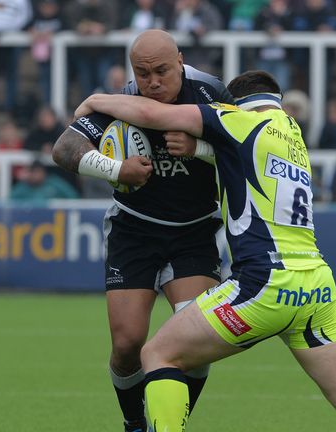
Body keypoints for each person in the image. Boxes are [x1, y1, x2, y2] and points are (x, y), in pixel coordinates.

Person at [74, 70, 336, 432]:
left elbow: (153, 115)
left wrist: (98, 101)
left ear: (234, 104)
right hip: (316, 286)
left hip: (265, 282)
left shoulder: (235, 120)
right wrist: (198, 150)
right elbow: (239, 160)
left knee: (157, 354)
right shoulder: (292, 133)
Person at [52, 29, 234, 432]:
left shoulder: (211, 93)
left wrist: (200, 149)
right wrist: (117, 170)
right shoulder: (124, 101)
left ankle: (169, 424)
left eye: (162, 72)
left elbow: (247, 150)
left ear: (181, 61)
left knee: (195, 345)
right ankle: (135, 423)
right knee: (127, 345)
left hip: (194, 232)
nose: (152, 83)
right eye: (143, 73)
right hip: (134, 231)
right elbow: (63, 150)